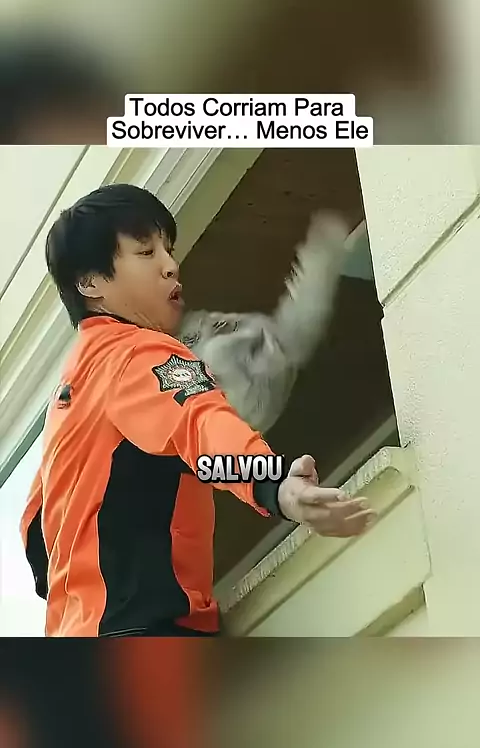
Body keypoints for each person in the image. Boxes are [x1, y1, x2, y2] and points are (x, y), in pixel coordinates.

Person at [20, 184, 376, 638]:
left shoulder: (69, 399)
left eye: (167, 250)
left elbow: (36, 535)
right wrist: (276, 484)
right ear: (90, 282)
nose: (170, 265)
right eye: (145, 252)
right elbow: (201, 424)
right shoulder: (140, 353)